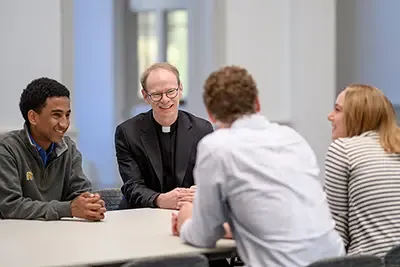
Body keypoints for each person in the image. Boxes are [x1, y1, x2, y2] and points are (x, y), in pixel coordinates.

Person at [172, 65, 345, 267]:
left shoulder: (216, 147)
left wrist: (185, 220)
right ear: (257, 103)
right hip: (337, 260)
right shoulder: (292, 138)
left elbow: (204, 236)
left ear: (211, 115)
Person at [0, 77, 106, 221]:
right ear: (33, 117)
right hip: (15, 237)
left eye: (67, 115)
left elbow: (80, 192)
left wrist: (90, 203)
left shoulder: (68, 148)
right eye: (56, 115)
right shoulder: (7, 149)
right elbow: (10, 206)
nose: (64, 124)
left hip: (57, 236)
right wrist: (68, 209)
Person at [115, 62, 213, 209]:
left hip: (188, 212)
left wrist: (200, 192)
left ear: (180, 89)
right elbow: (132, 186)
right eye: (156, 94)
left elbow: (210, 180)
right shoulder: (127, 133)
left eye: (170, 91)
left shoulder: (203, 130)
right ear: (145, 96)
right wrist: (160, 200)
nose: (165, 99)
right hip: (141, 214)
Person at [325, 84, 400, 257]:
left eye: (337, 110)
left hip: (372, 261)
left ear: (356, 116)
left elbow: (336, 233)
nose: (330, 117)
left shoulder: (343, 149)